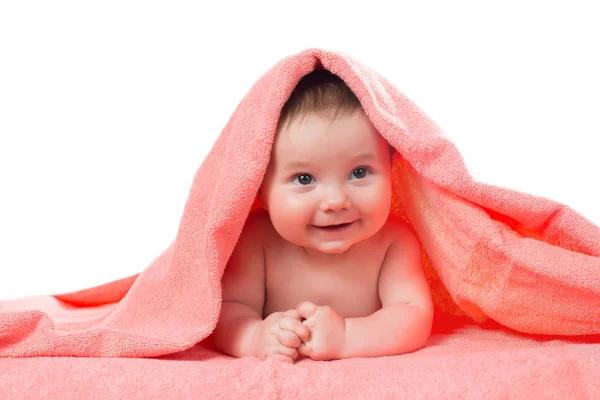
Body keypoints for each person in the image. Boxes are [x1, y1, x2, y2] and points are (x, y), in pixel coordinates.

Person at [210, 69, 433, 362]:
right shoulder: (256, 241)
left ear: (391, 168)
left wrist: (347, 338)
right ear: (260, 188)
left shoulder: (393, 243)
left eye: (359, 172)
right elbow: (228, 308)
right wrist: (255, 336)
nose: (335, 201)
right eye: (304, 179)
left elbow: (413, 315)